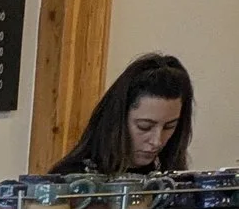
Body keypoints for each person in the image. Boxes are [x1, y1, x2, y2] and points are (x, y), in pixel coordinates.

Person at [57, 53, 195, 175]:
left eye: (169, 127)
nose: (157, 141)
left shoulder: (169, 179)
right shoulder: (70, 180)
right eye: (144, 126)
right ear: (117, 119)